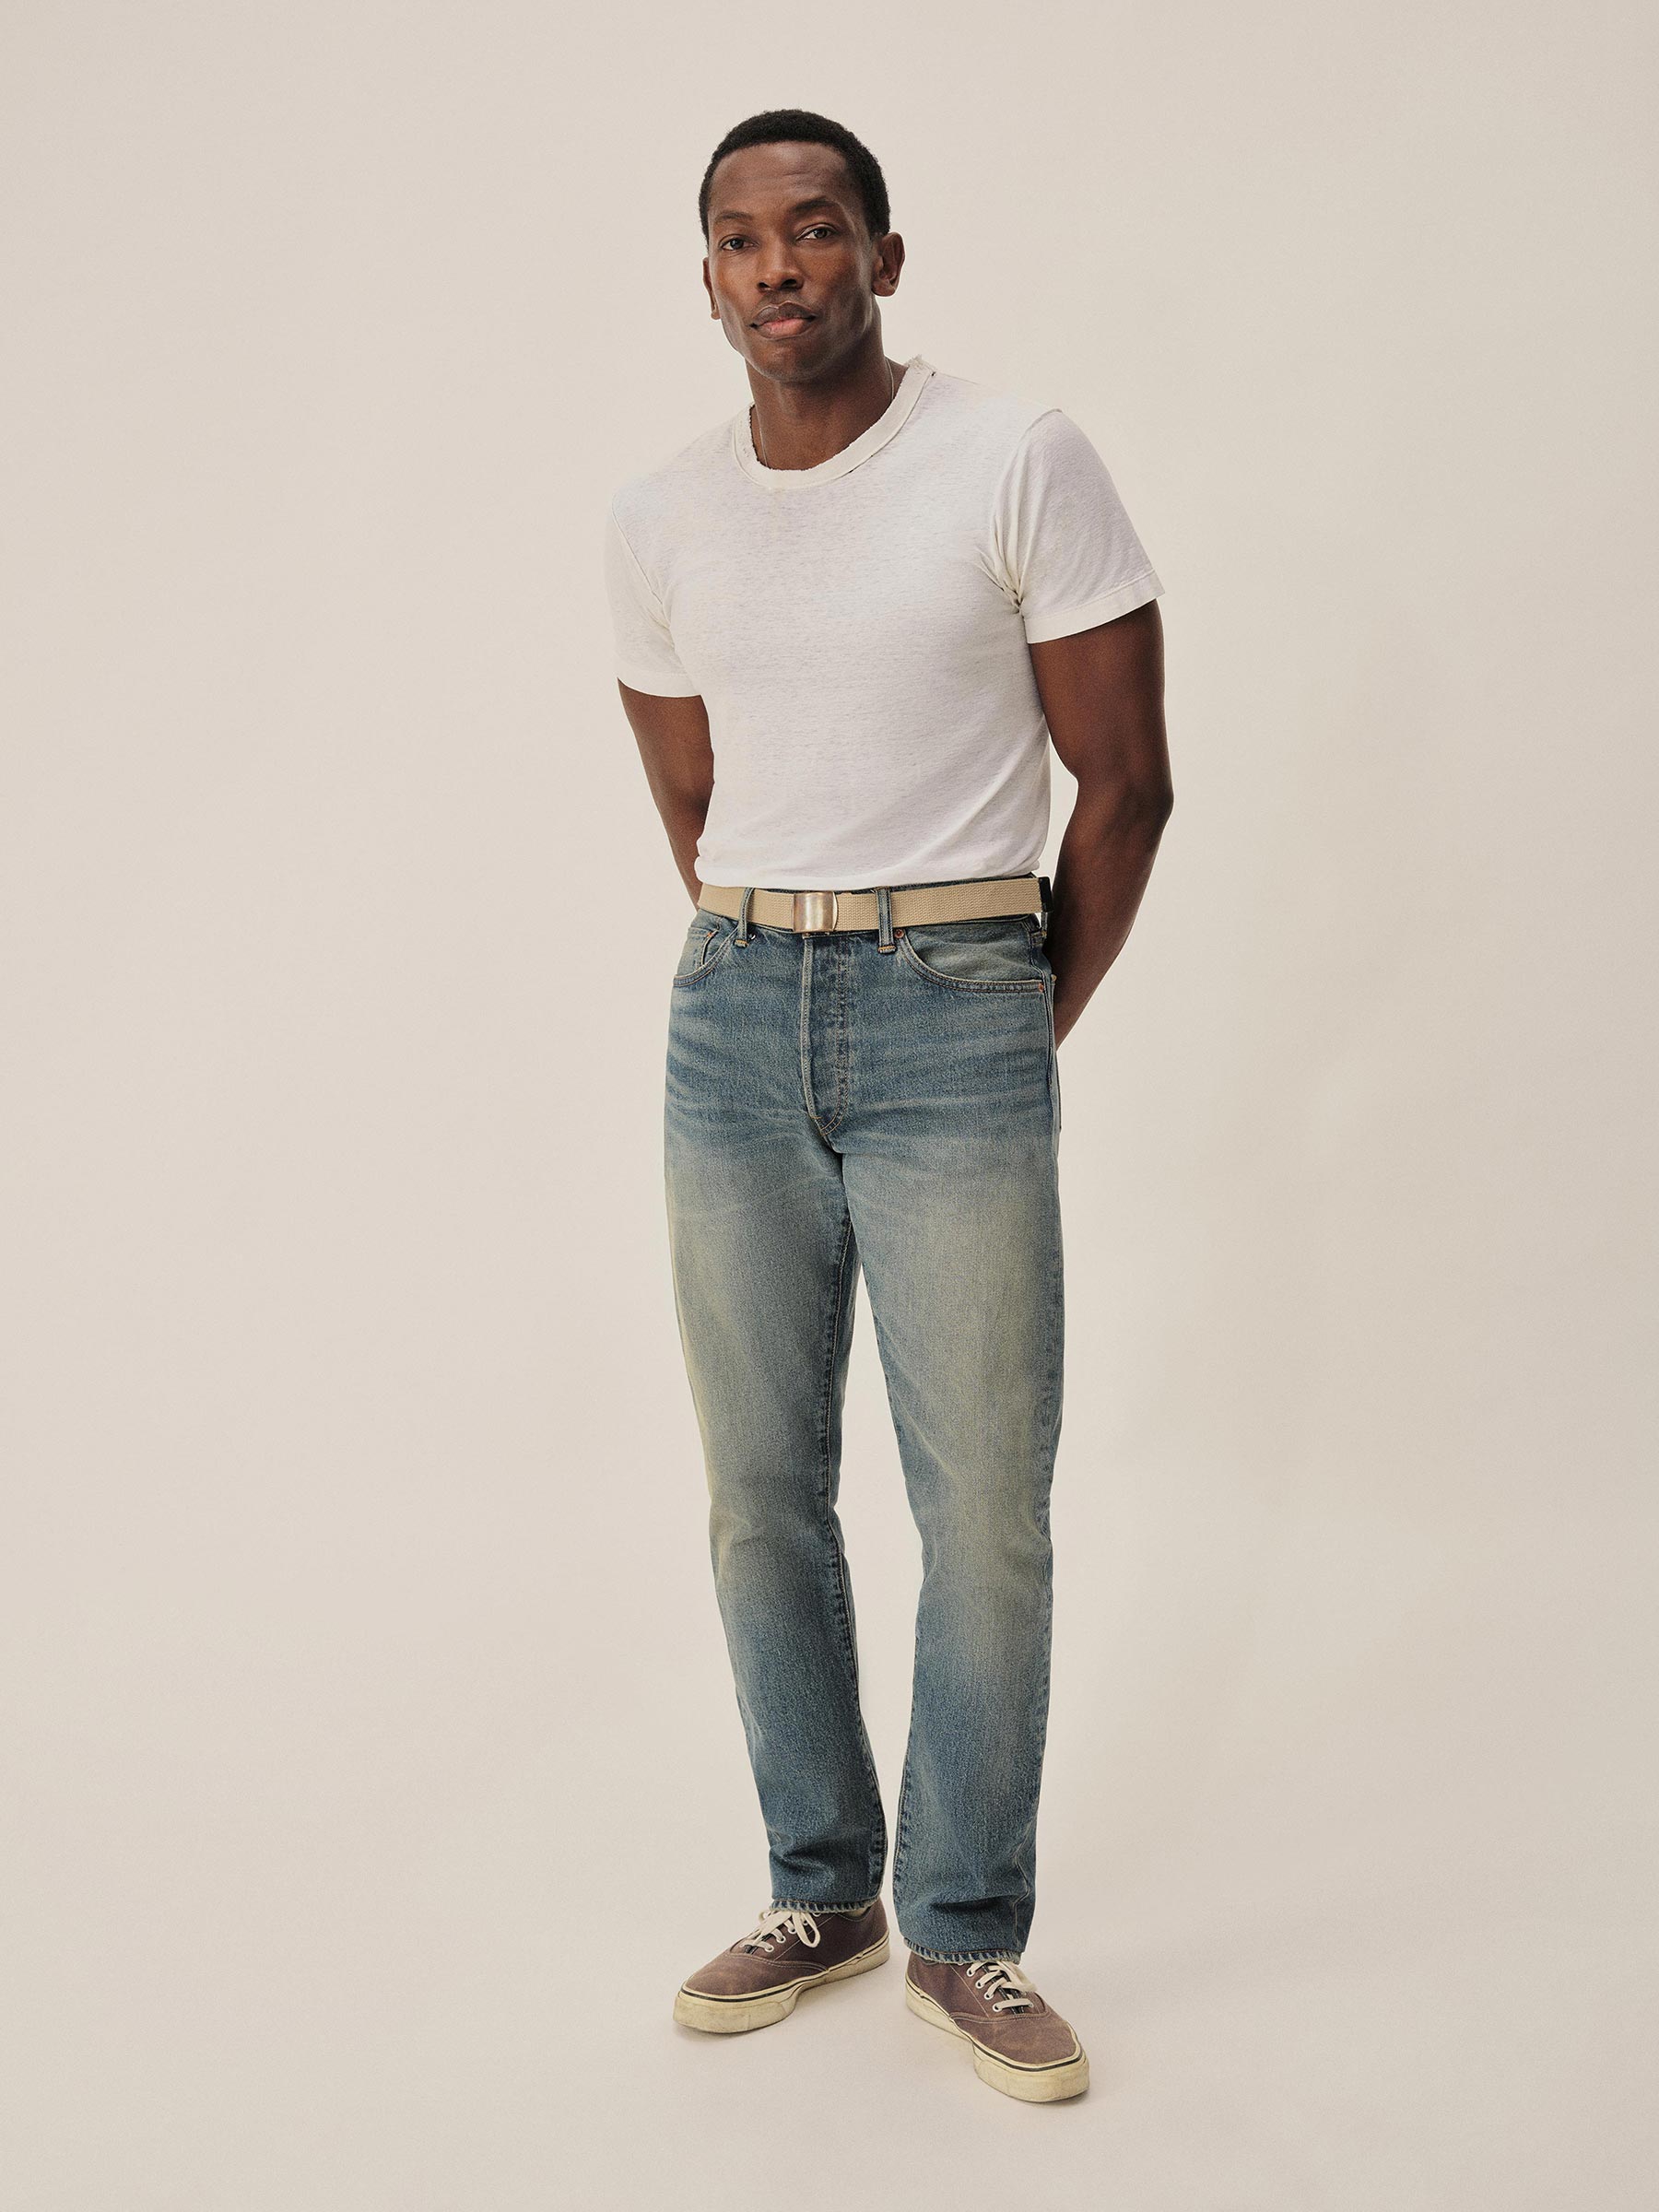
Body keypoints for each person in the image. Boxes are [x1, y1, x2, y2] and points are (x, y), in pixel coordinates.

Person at [602, 107, 1172, 2104]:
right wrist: (783, 958)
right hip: (733, 1018)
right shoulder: (661, 517)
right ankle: (820, 1886)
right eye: (743, 239)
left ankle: (964, 1924)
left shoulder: (1014, 458)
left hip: (959, 1005)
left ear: (885, 256)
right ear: (706, 280)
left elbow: (1130, 782)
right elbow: (694, 801)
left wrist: (1006, 1012)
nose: (782, 266)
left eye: (819, 228)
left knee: (983, 1512)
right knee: (759, 1494)